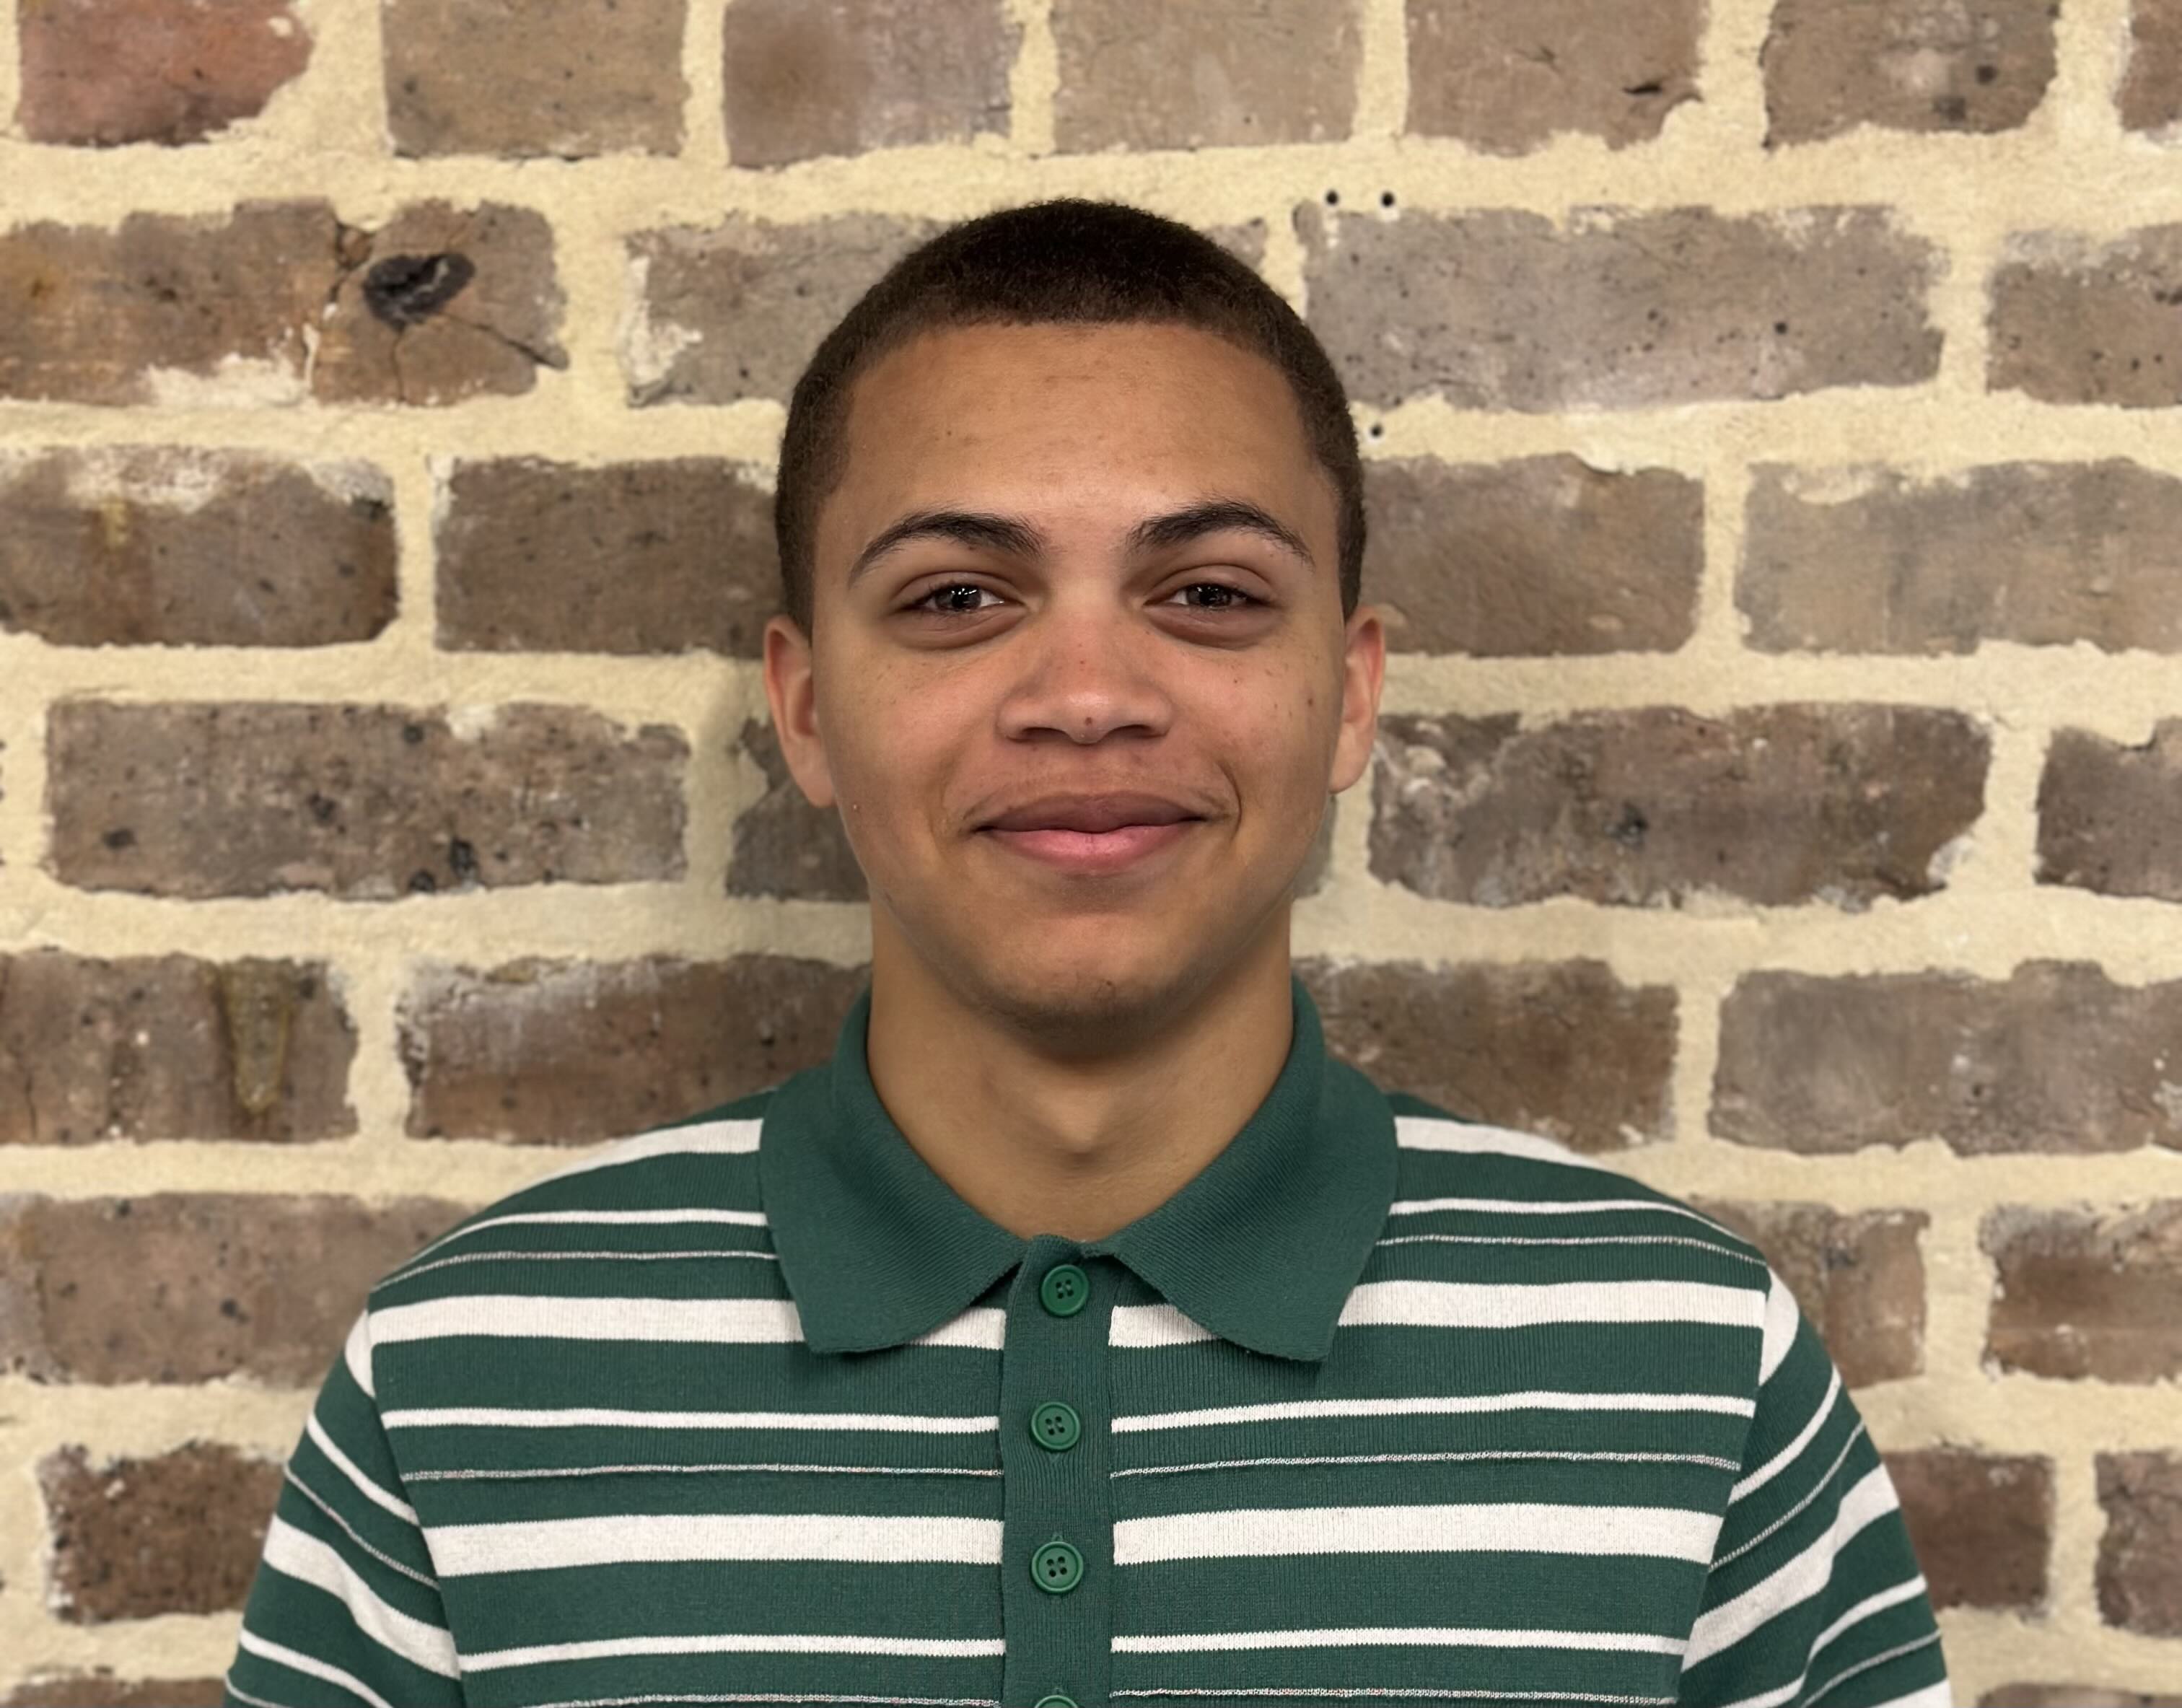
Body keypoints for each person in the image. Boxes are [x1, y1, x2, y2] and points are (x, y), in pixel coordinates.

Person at [223, 197, 1948, 1708]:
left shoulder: (1693, 1369)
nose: (1088, 694)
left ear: (1348, 691)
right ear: (807, 705)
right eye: (959, 597)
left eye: (1205, 592)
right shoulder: (470, 1373)